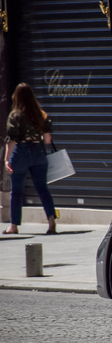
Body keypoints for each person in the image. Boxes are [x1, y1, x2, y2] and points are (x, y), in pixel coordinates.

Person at [3, 83, 57, 235]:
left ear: (17, 97)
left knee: (17, 192)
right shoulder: (40, 114)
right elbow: (47, 140)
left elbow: (12, 140)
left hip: (21, 154)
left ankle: (14, 226)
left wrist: (7, 160)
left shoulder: (15, 116)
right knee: (43, 189)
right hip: (39, 153)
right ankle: (52, 222)